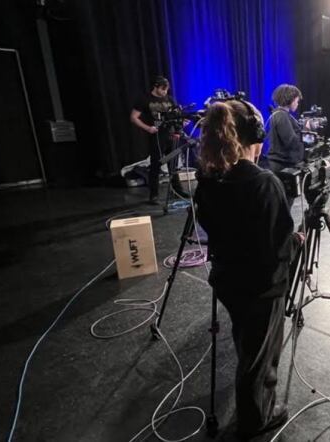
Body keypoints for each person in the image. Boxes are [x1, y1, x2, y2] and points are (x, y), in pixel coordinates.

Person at [194, 100, 293, 438]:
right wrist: (299, 238)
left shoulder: (208, 177)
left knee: (247, 342)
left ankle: (252, 398)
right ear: (256, 136)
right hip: (261, 289)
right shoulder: (264, 183)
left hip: (228, 281)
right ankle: (257, 418)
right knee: (260, 359)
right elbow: (276, 249)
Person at [130, 75, 182, 204]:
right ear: (156, 87)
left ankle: (177, 190)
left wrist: (179, 129)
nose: (165, 91)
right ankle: (154, 194)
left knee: (173, 165)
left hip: (171, 135)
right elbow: (134, 117)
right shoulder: (145, 99)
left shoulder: (170, 99)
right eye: (163, 88)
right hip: (157, 136)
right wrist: (148, 128)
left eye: (167, 89)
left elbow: (177, 116)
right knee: (156, 165)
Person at [266, 84, 307, 175]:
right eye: (297, 101)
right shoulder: (281, 116)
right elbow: (291, 142)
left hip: (282, 164)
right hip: (282, 167)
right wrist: (305, 128)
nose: (297, 103)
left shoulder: (281, 115)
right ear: (291, 100)